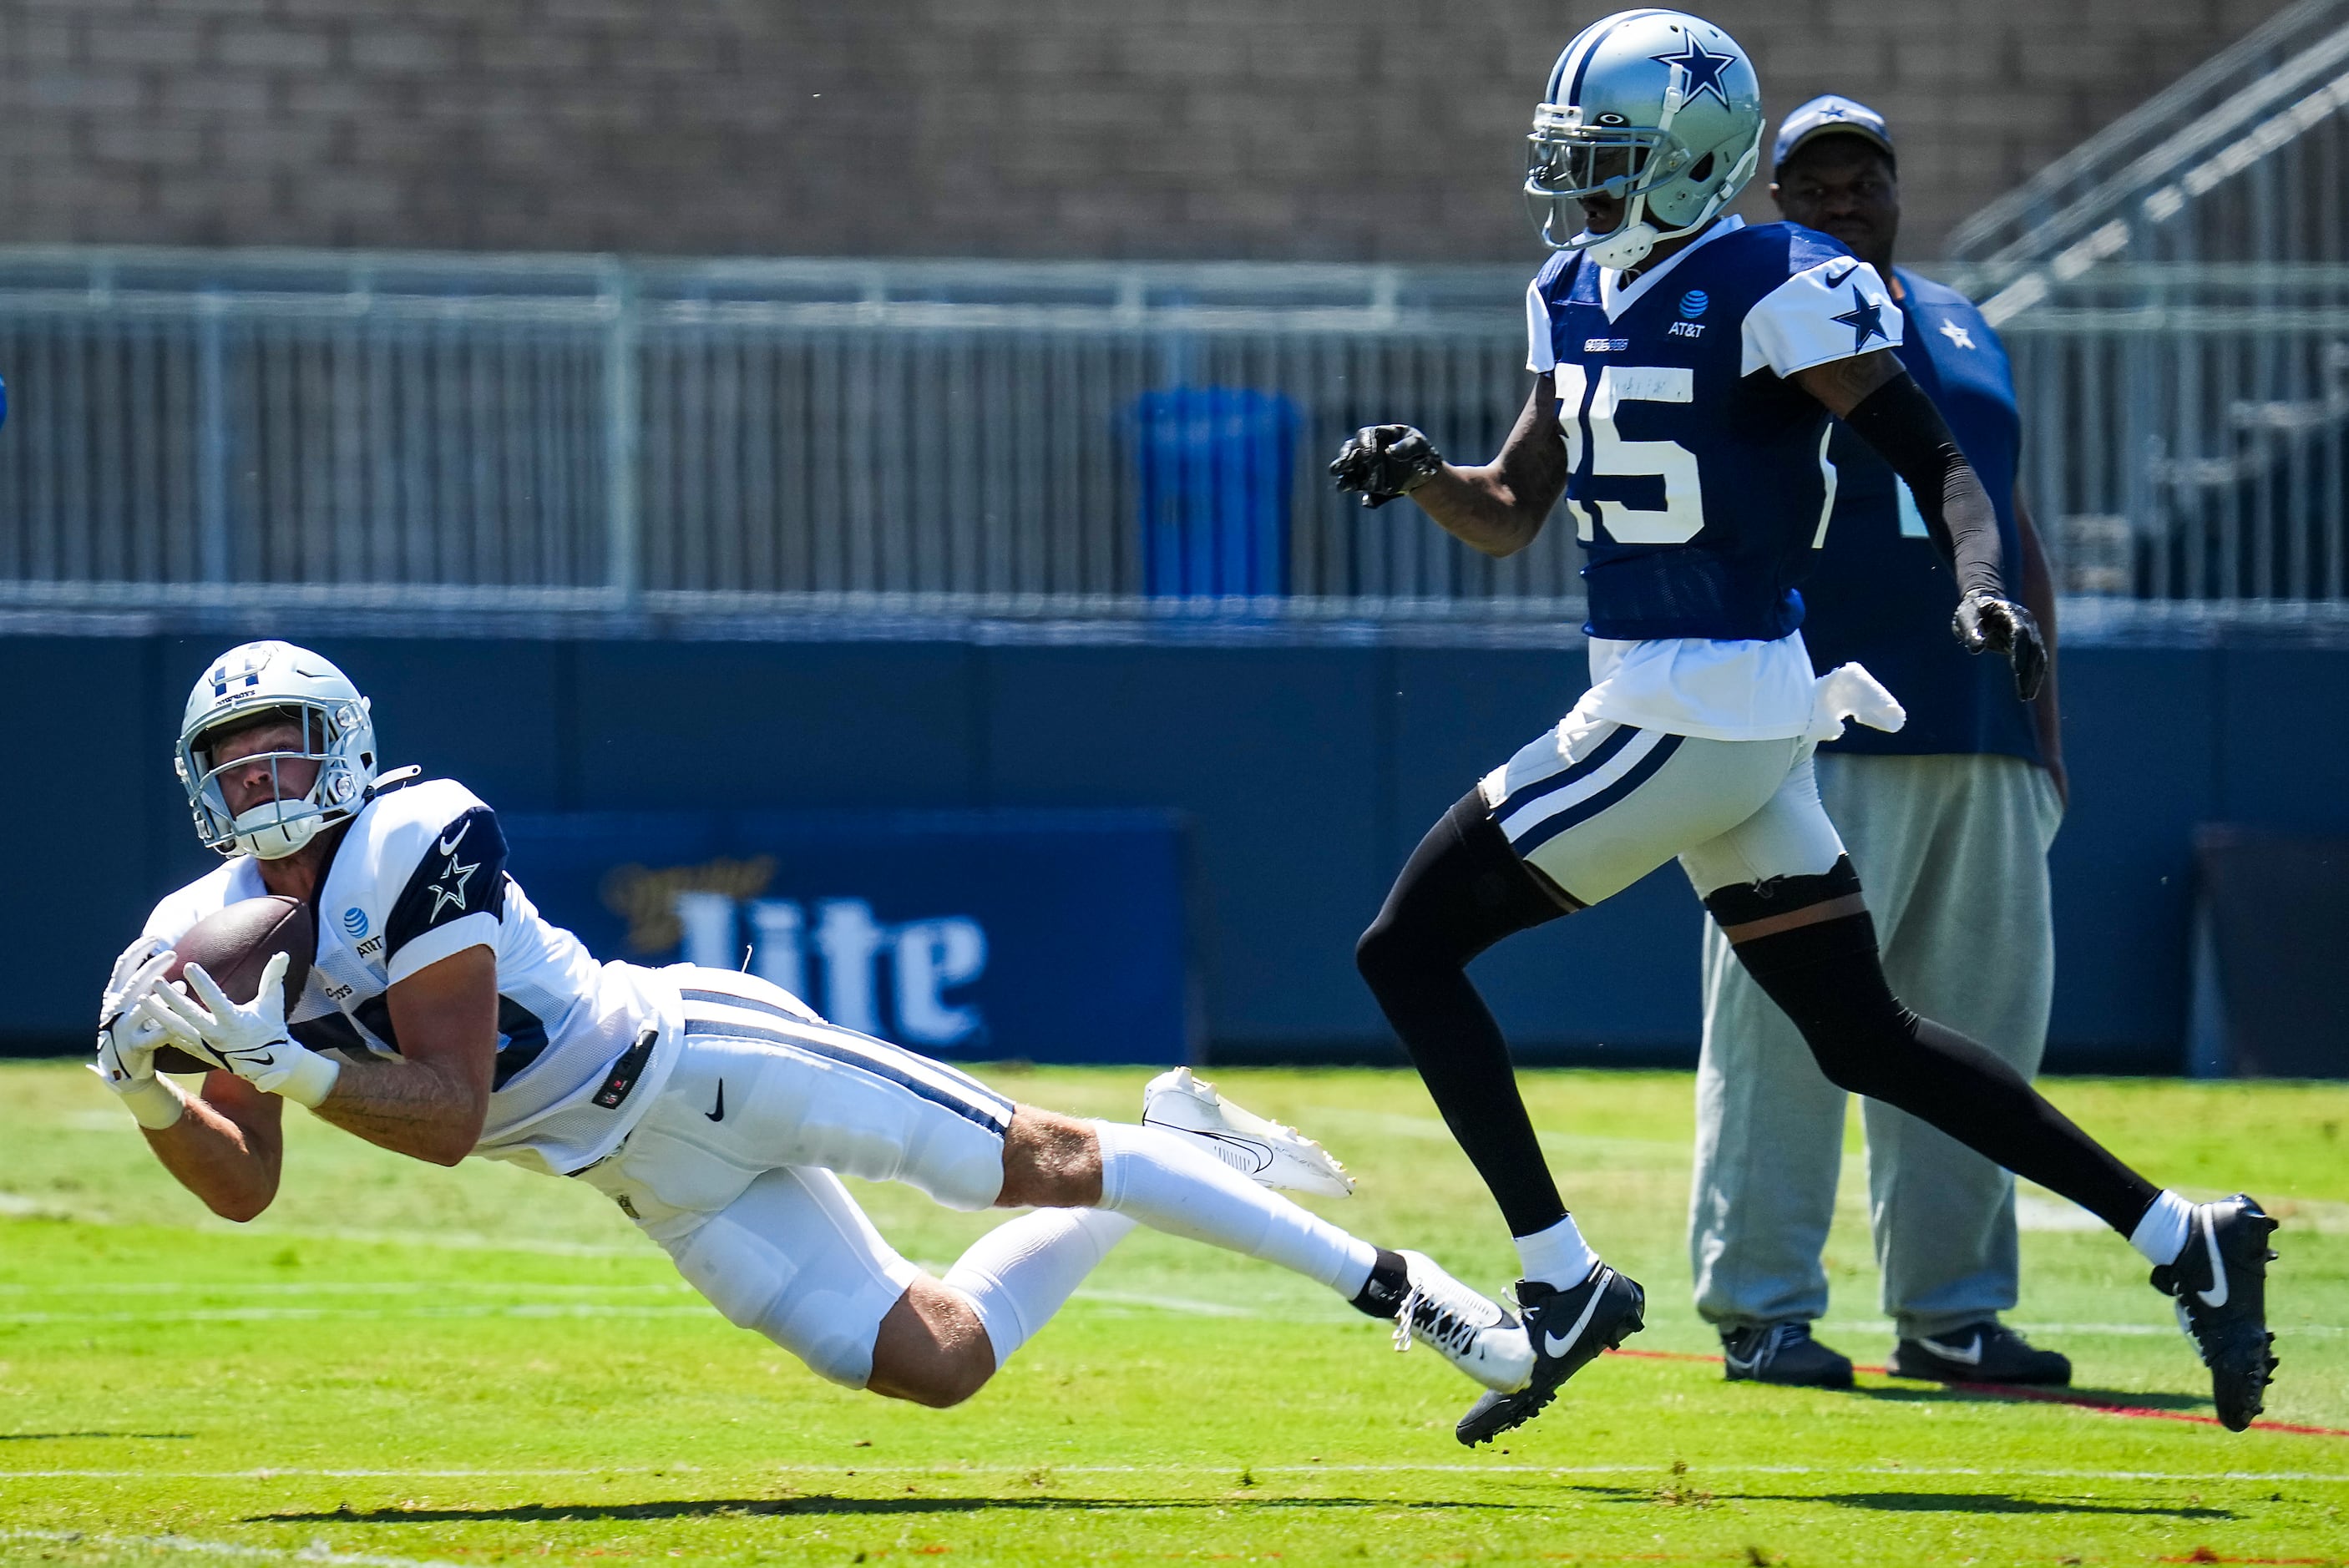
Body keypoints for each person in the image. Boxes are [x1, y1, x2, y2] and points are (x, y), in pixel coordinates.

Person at [1331, 9, 2276, 1444]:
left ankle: (1560, 1279)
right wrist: (1426, 475)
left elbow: (1942, 463)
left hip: (1689, 698)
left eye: (1604, 153)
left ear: (1689, 156)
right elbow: (1514, 512)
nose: (1575, 179)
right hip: (1719, 710)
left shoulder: (1779, 278)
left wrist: (1979, 593)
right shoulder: (1566, 286)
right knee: (1867, 1038)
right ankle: (2183, 1238)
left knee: (1404, 949)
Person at [94, 640, 1531, 1413]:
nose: (262, 772)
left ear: (342, 742)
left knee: (1031, 1155)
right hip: (638, 1171)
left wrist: (282, 1056)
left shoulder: (418, 831)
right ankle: (1174, 1142)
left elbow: (453, 1106)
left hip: (704, 1063)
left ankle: (1408, 1289)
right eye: (233, 755)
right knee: (942, 1362)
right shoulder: (201, 922)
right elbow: (248, 1187)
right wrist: (159, 1097)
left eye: (284, 738)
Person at [1686, 96, 2073, 1392]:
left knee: (1980, 1032)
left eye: (1861, 179)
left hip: (1977, 733)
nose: (1840, 200)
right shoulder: (1754, 313)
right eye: (1812, 184)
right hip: (1812, 722)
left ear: (1897, 188)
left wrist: (2043, 731)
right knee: (1783, 1029)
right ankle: (1761, 1305)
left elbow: (2010, 526)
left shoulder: (1961, 322)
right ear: (1774, 200)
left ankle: (1952, 1310)